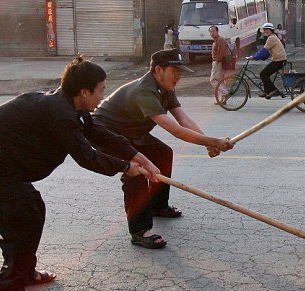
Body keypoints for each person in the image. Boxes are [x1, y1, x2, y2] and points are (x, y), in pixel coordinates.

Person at [0, 56, 159, 291]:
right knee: (21, 223)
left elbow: (98, 133)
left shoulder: (72, 108)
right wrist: (126, 167)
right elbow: (87, 156)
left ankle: (26, 272)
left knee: (34, 210)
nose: (103, 95)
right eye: (101, 90)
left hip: (7, 164)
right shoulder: (60, 114)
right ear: (84, 91)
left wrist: (136, 155)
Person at [93, 50, 234, 249]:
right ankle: (140, 231)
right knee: (136, 170)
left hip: (132, 132)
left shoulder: (166, 88)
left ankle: (158, 205)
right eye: (174, 71)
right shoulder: (144, 90)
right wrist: (213, 141)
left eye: (180, 71)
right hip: (107, 133)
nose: (178, 76)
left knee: (163, 153)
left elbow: (183, 120)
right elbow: (175, 129)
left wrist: (209, 144)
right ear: (158, 70)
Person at [246, 22, 287, 99]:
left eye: (266, 30)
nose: (264, 32)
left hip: (279, 60)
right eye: (264, 30)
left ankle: (274, 90)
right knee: (265, 74)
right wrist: (260, 57)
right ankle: (267, 91)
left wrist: (254, 57)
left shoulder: (271, 38)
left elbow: (263, 50)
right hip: (279, 60)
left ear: (270, 30)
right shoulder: (272, 37)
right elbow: (267, 53)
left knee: (263, 74)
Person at [209, 25, 236, 105]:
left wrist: (217, 61)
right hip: (218, 62)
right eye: (210, 32)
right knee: (220, 80)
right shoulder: (216, 40)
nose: (212, 33)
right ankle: (223, 99)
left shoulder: (220, 40)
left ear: (217, 31)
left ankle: (225, 93)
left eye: (213, 31)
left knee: (213, 80)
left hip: (219, 62)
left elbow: (220, 52)